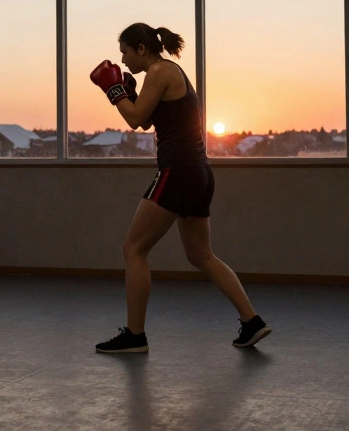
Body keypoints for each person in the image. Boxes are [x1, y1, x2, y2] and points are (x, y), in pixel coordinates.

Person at [89, 23, 270, 353]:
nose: (123, 60)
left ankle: (135, 335)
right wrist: (126, 92)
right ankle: (252, 321)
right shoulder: (168, 73)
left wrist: (114, 91)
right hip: (199, 172)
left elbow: (133, 119)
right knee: (201, 254)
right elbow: (145, 120)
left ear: (141, 49)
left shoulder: (159, 72)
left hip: (179, 171)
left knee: (134, 248)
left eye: (125, 52)